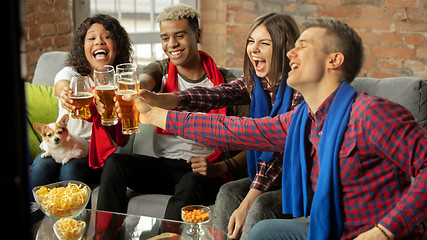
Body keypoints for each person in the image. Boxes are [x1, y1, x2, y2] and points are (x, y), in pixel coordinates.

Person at [119, 17, 427, 239]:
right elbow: (232, 130)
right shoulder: (305, 118)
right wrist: (156, 113)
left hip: (369, 231)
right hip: (332, 227)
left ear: (334, 60)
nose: (290, 52)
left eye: (301, 46)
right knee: (264, 231)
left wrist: (384, 231)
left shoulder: (371, 114)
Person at [139, 12, 302, 239]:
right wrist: (163, 99)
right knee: (228, 192)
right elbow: (213, 95)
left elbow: (275, 152)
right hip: (267, 176)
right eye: (251, 41)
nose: (253, 49)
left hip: (297, 179)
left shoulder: (300, 91)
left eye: (264, 43)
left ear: (286, 48)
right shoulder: (257, 82)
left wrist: (246, 204)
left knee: (259, 205)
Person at [96, 4, 245, 221]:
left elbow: (253, 142)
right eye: (165, 38)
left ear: (198, 35)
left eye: (180, 35)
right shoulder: (162, 69)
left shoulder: (227, 83)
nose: (171, 44)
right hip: (165, 166)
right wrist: (134, 89)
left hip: (203, 169)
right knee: (116, 163)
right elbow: (145, 81)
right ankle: (104, 235)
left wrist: (219, 168)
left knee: (191, 181)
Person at [29, 14, 133, 194]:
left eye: (106, 37)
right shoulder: (72, 73)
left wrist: (107, 114)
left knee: (70, 169)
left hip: (97, 155)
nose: (99, 42)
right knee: (40, 167)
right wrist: (66, 94)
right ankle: (33, 219)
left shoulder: (122, 82)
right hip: (61, 145)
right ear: (82, 47)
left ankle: (75, 221)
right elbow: (62, 85)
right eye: (91, 38)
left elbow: (123, 138)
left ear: (118, 46)